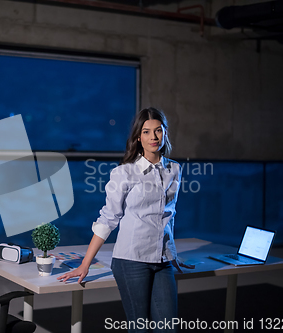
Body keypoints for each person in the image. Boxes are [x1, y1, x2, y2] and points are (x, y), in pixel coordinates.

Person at [57, 107, 194, 333]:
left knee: (168, 329)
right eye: (147, 132)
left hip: (163, 261)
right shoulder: (124, 173)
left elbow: (169, 214)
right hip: (132, 259)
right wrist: (85, 264)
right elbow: (108, 218)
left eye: (158, 131)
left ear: (165, 133)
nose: (153, 137)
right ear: (138, 137)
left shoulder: (174, 169)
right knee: (139, 329)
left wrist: (172, 253)